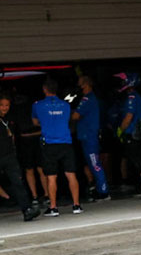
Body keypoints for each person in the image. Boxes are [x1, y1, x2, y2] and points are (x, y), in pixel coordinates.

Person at [31, 77, 81, 216]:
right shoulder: (65, 105)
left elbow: (35, 122)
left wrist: (47, 123)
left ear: (44, 90)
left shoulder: (37, 105)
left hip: (49, 143)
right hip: (65, 142)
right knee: (71, 174)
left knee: (51, 177)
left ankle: (53, 207)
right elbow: (67, 120)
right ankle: (76, 205)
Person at [0, 94, 39, 221]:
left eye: (7, 105)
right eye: (2, 105)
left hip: (10, 156)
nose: (4, 108)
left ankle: (27, 210)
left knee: (18, 182)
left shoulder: (10, 119)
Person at [72, 75, 109, 201]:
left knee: (95, 164)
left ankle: (104, 191)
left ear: (85, 84)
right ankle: (98, 188)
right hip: (86, 136)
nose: (78, 87)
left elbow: (76, 116)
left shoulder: (87, 99)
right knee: (91, 164)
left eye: (80, 84)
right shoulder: (90, 99)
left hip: (90, 136)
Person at [113, 72, 141, 196]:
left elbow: (128, 117)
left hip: (133, 133)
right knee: (133, 160)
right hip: (134, 133)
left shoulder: (132, 97)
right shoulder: (134, 97)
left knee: (137, 159)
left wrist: (120, 130)